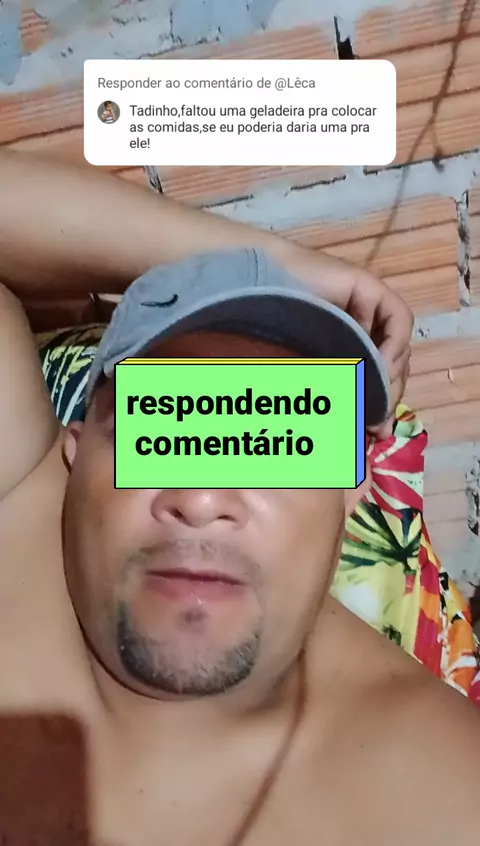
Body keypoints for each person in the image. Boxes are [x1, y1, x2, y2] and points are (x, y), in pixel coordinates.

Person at [1, 152, 480, 845]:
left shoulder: (441, 788)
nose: (202, 498)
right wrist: (267, 262)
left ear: (351, 489)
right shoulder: (20, 503)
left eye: (276, 437)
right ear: (75, 449)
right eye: (162, 425)